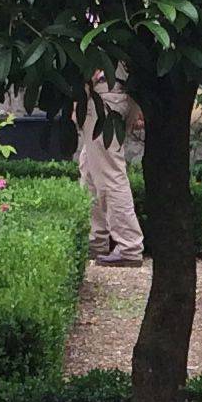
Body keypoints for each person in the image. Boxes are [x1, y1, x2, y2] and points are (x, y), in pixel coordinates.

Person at [76, 77, 145, 264]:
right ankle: (96, 241)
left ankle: (129, 246)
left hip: (105, 96)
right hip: (114, 94)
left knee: (109, 175)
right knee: (89, 167)